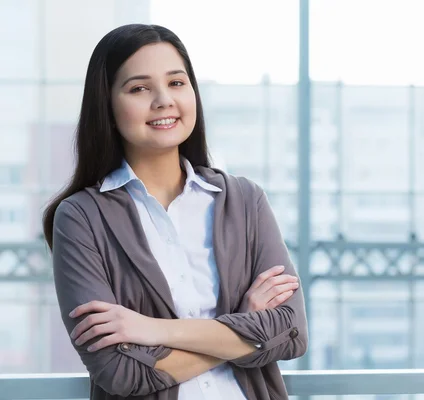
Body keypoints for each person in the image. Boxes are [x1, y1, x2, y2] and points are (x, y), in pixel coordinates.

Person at [41, 24, 308, 400]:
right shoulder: (81, 218)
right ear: (107, 105)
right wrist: (244, 329)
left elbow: (290, 332)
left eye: (177, 83)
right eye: (139, 88)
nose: (164, 100)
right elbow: (122, 373)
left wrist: (152, 330)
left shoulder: (245, 200)